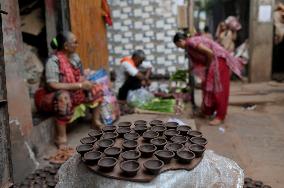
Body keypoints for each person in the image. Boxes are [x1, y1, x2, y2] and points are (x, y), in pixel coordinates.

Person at [35, 31, 104, 148]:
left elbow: (79, 75)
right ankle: (61, 138)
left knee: (96, 88)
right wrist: (80, 86)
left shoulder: (75, 57)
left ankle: (95, 121)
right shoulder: (53, 61)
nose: (77, 44)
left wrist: (85, 82)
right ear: (66, 46)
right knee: (63, 98)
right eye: (75, 42)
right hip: (50, 95)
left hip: (72, 89)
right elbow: (53, 85)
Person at [173, 32, 244, 125]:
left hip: (219, 61)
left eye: (178, 45)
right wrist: (188, 71)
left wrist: (207, 67)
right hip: (212, 63)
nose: (179, 47)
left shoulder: (191, 42)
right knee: (207, 87)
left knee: (219, 90)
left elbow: (209, 52)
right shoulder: (189, 47)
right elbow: (197, 61)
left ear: (181, 40)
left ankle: (220, 116)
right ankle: (207, 111)